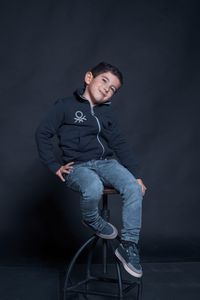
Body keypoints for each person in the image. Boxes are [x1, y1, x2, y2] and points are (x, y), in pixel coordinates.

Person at [35, 62, 146, 278]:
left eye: (113, 88)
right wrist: (54, 165)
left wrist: (137, 175)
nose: (107, 88)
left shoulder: (107, 114)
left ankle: (129, 246)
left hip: (106, 163)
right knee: (93, 186)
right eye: (104, 80)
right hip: (77, 167)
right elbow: (42, 133)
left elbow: (120, 143)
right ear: (89, 78)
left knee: (133, 188)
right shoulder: (65, 106)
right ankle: (92, 220)